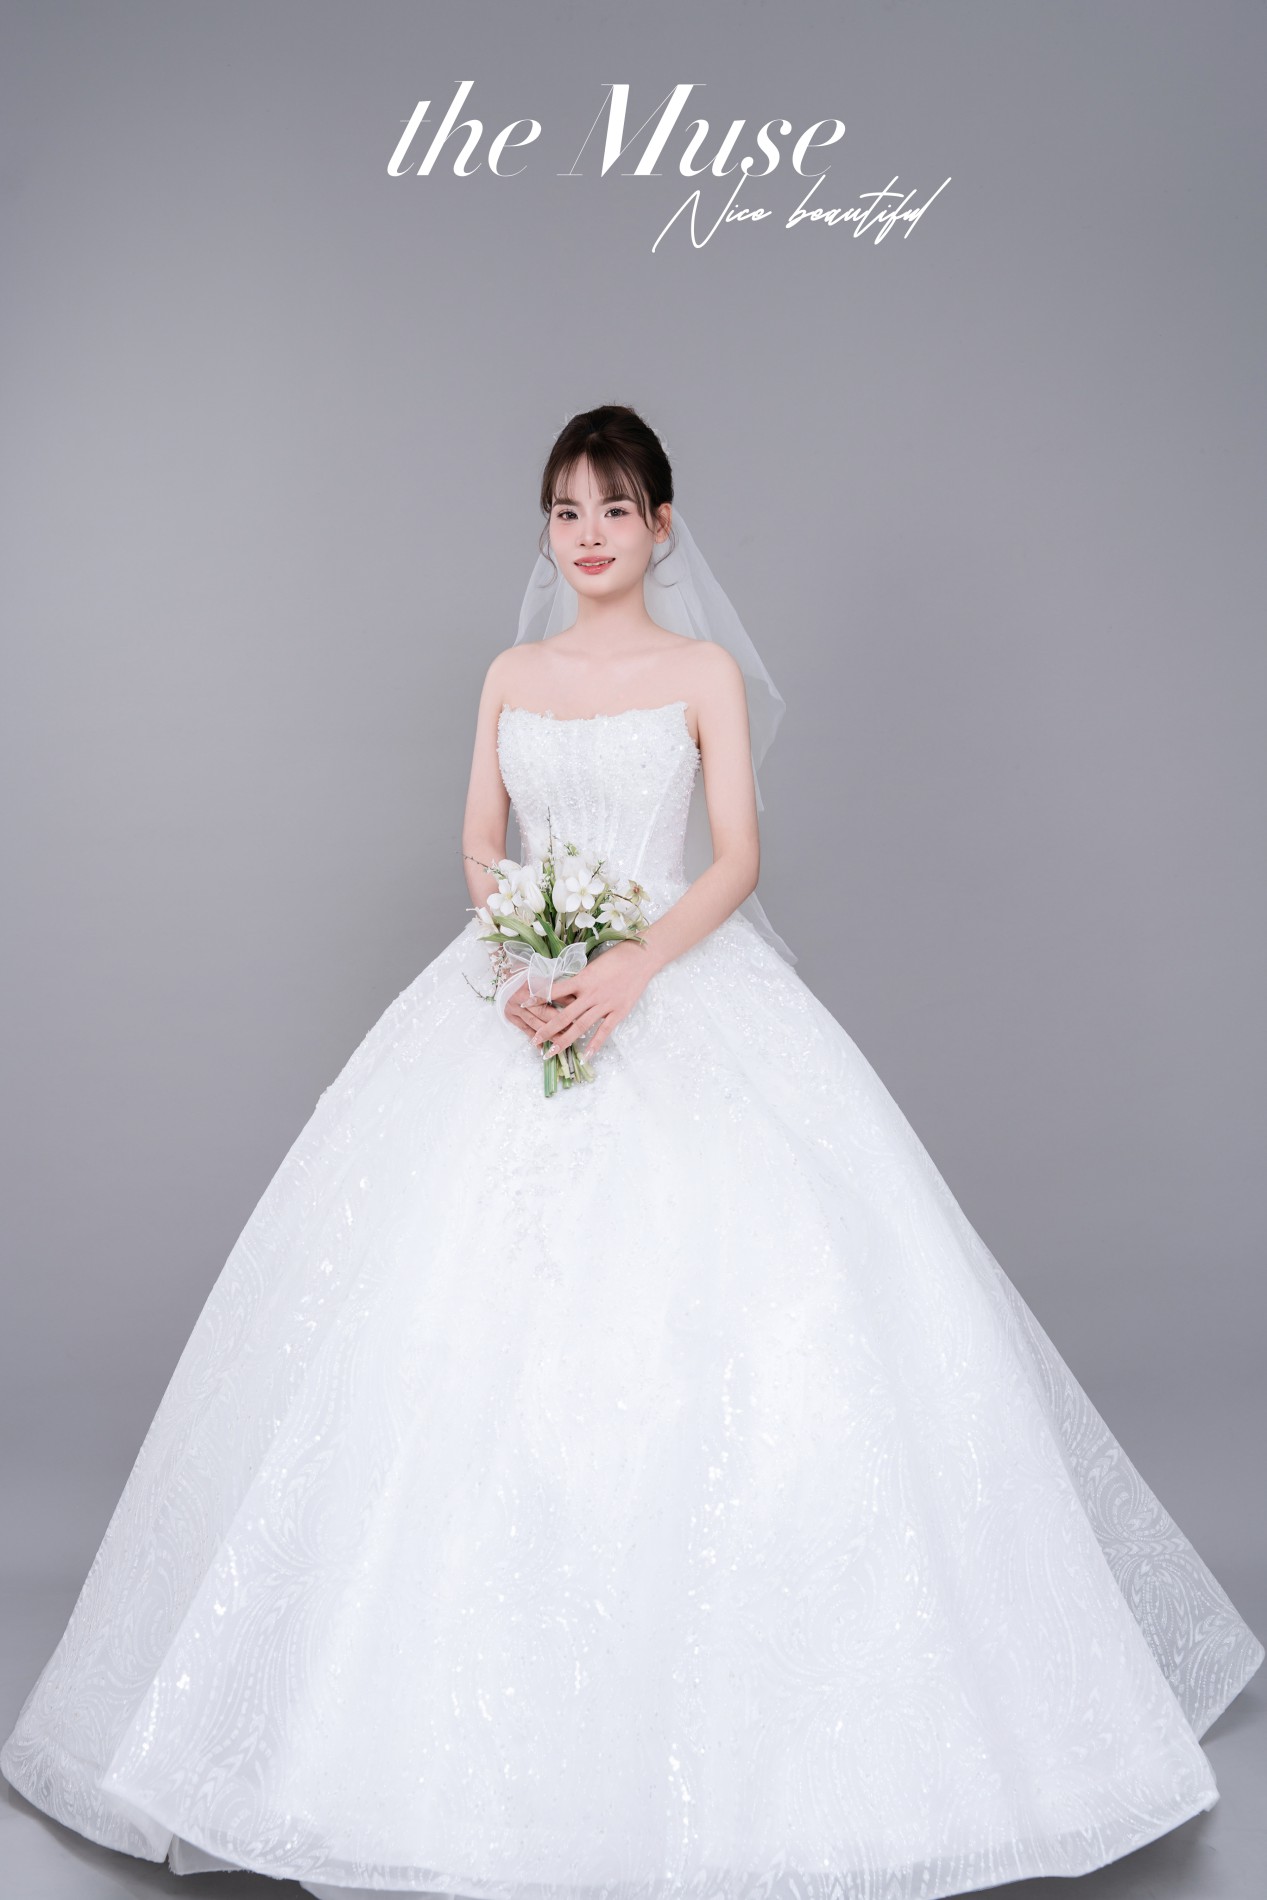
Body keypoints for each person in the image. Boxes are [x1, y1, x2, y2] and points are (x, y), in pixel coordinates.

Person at [2, 404, 1260, 1900]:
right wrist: (527, 951)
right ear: (545, 531)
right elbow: (480, 843)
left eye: (615, 508)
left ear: (665, 524)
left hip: (670, 984)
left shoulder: (702, 672)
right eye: (565, 509)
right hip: (523, 986)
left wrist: (627, 969)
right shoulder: (510, 675)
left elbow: (735, 858)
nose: (589, 534)